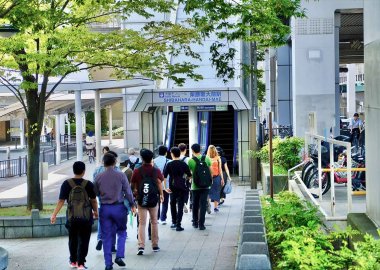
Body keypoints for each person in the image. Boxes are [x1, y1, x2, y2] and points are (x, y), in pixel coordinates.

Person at [50, 161, 98, 270]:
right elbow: (94, 200)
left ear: (73, 170)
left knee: (73, 239)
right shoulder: (88, 184)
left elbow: (61, 201)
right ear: (84, 171)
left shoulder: (67, 184)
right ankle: (81, 263)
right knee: (84, 239)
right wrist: (95, 212)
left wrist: (54, 214)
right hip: (86, 217)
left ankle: (73, 261)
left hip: (71, 217)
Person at [94, 153, 136, 270]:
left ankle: (108, 264)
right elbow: (128, 191)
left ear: (103, 163)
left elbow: (95, 193)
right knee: (122, 232)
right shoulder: (121, 175)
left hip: (105, 208)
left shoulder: (98, 177)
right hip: (119, 207)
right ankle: (119, 256)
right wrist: (132, 204)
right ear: (114, 162)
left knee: (106, 236)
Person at [131, 148, 164, 255]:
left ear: (142, 159)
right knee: (154, 222)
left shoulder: (137, 170)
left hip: (141, 199)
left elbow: (132, 185)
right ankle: (155, 245)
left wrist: (135, 193)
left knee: (142, 223)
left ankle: (141, 246)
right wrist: (162, 195)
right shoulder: (156, 170)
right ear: (151, 159)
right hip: (153, 199)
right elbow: (160, 182)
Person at [93, 150, 121, 252]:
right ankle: (112, 246)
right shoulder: (117, 171)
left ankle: (100, 238)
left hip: (102, 200)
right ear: (113, 160)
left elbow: (94, 187)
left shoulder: (97, 171)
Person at [164, 147, 192, 231]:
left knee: (172, 204)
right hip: (182, 187)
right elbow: (190, 175)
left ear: (172, 154)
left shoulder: (169, 164)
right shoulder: (183, 164)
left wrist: (165, 187)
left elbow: (164, 177)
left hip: (172, 187)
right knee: (180, 205)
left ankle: (173, 222)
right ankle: (179, 224)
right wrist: (185, 179)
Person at [187, 143, 212, 230]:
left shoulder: (190, 161)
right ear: (200, 150)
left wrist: (190, 178)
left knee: (195, 204)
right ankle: (201, 224)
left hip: (195, 186)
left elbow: (188, 174)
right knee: (203, 205)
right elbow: (210, 172)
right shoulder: (207, 159)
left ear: (192, 150)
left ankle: (195, 222)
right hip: (205, 186)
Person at [153, 145, 171, 225]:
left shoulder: (153, 161)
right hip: (165, 185)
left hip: (155, 184)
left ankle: (156, 218)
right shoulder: (169, 161)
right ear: (166, 153)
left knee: (157, 202)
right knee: (165, 201)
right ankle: (163, 219)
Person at [207, 145, 224, 213]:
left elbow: (220, 169)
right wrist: (222, 179)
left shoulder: (217, 158)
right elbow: (220, 169)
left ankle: (212, 206)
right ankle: (214, 207)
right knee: (214, 191)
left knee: (213, 191)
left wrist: (222, 178)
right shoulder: (207, 158)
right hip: (214, 177)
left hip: (213, 177)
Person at [178, 143, 191, 213]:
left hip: (177, 178)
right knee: (186, 191)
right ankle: (184, 203)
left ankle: (179, 202)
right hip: (185, 178)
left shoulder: (176, 158)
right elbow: (190, 169)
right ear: (185, 150)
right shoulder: (188, 159)